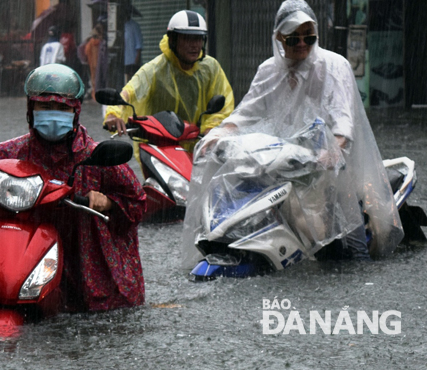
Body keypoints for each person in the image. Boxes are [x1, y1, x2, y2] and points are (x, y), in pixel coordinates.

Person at [181, 0, 403, 267]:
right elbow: (246, 112)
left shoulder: (334, 66)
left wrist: (333, 150)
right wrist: (218, 134)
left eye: (308, 37)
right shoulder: (269, 70)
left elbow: (343, 120)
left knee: (351, 246)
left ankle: (360, 274)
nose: (301, 44)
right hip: (288, 159)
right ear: (278, 37)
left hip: (335, 166)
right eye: (293, 38)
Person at [0, 64, 146, 312]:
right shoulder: (9, 153)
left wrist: (107, 202)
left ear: (75, 113)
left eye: (62, 108)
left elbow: (138, 203)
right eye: (45, 107)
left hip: (89, 277)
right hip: (23, 265)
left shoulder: (95, 157)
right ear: (31, 110)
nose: (54, 114)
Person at [103, 10, 234, 155]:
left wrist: (211, 130)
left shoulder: (211, 68)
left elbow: (224, 104)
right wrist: (113, 114)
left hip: (201, 149)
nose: (195, 45)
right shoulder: (155, 69)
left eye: (198, 39)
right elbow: (130, 91)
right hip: (161, 149)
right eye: (187, 39)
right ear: (172, 40)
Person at [123, 5, 143, 82]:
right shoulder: (122, 26)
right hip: (125, 61)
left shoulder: (134, 26)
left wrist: (136, 60)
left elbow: (139, 45)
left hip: (133, 60)